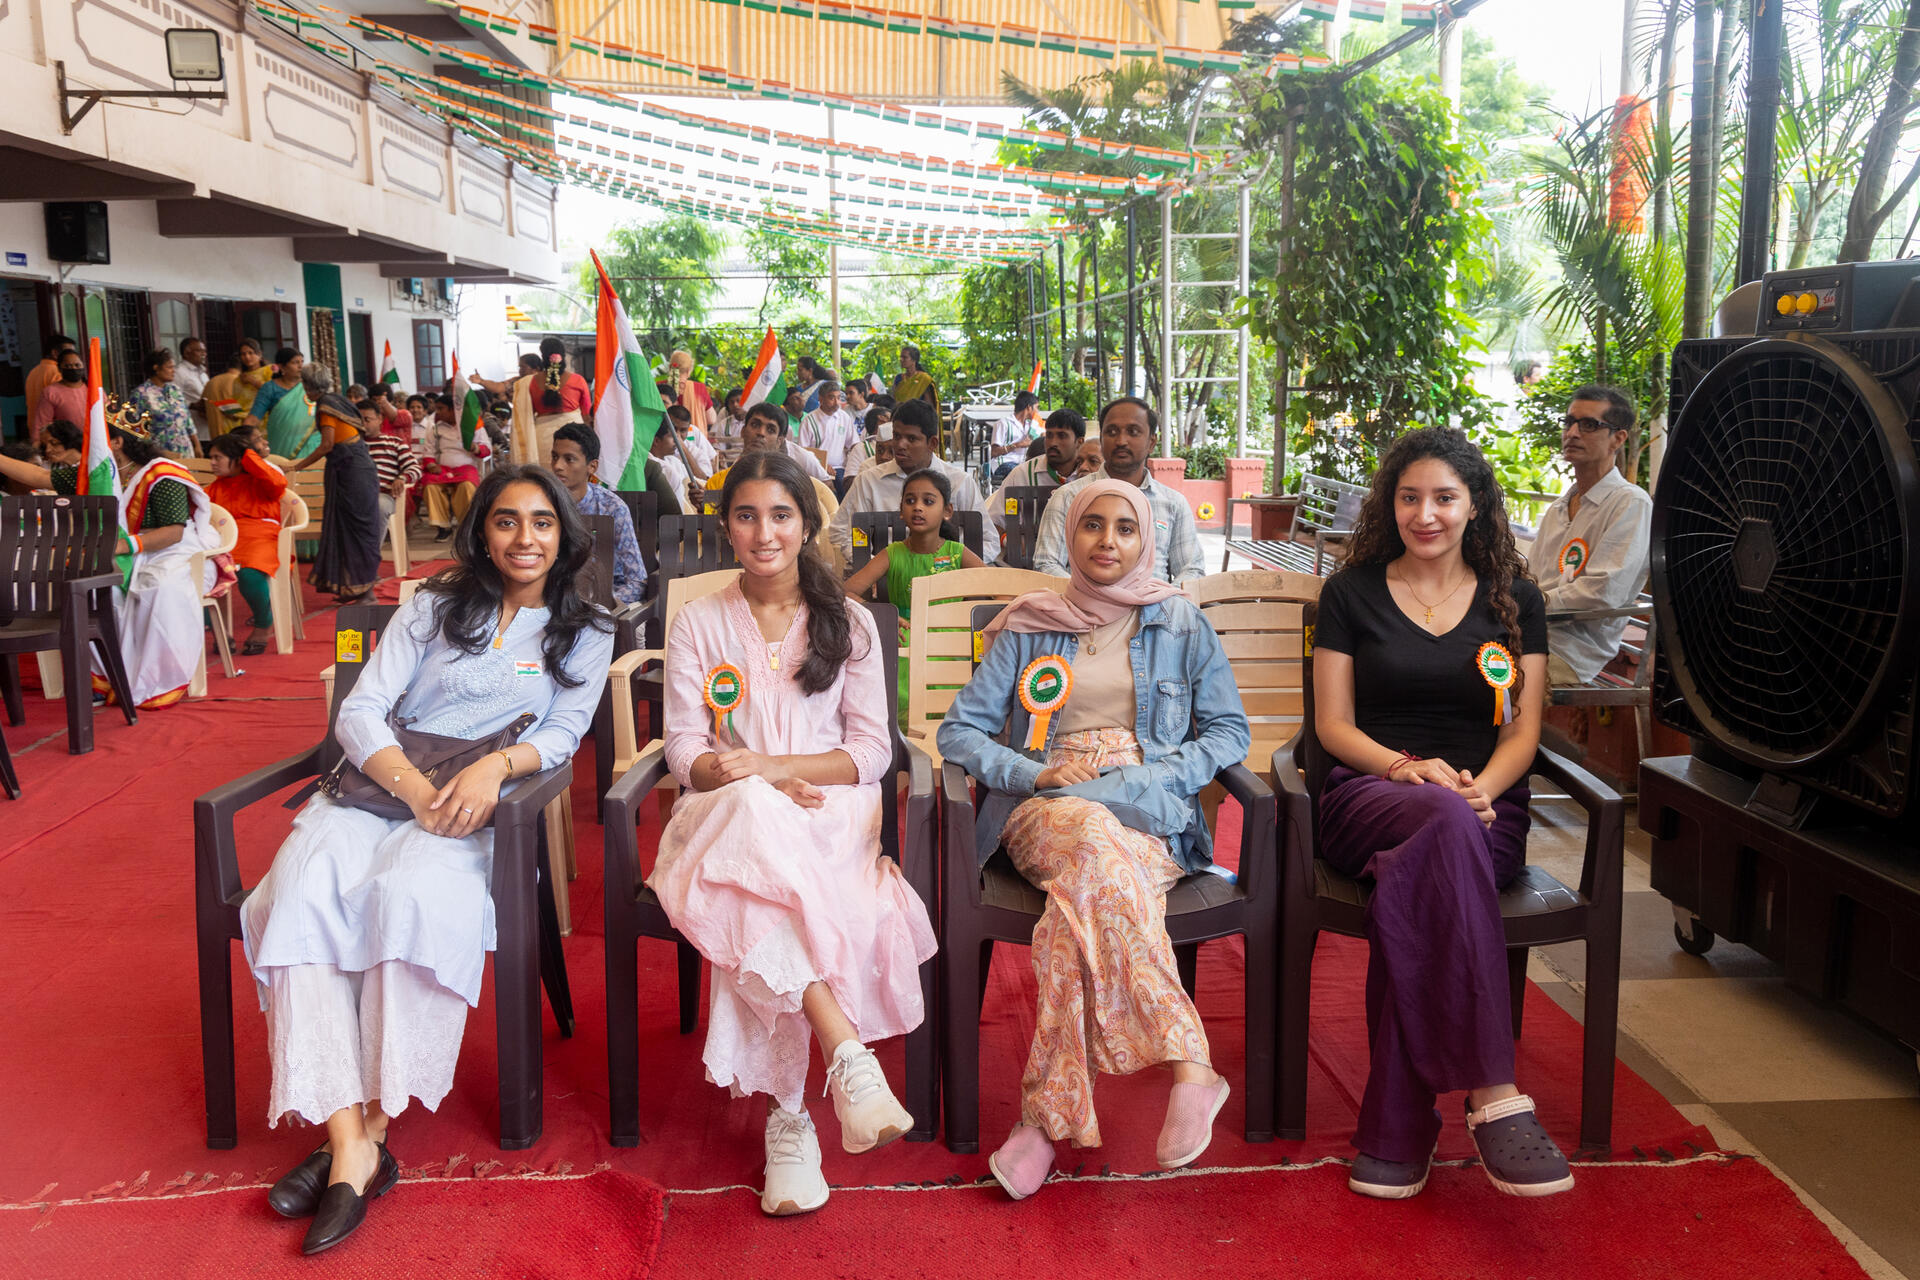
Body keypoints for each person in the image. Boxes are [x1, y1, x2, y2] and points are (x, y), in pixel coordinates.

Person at [240, 466, 614, 1256]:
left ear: (563, 535)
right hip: (383, 789)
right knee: (294, 894)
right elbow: (362, 711)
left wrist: (495, 768)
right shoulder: (437, 605)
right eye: (506, 521)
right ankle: (352, 1140)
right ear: (483, 531)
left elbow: (564, 731)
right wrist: (413, 790)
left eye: (542, 522)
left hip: (476, 810)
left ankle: (366, 1133)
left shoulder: (584, 627)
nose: (524, 538)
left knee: (408, 898)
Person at [936, 479, 1250, 1199]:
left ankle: (1044, 1124)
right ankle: (1190, 1063)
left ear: (1147, 541)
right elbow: (959, 731)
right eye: (1093, 525)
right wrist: (1035, 772)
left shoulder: (1180, 622)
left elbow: (1228, 731)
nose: (1108, 540)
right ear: (1069, 535)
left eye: (1125, 529)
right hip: (1049, 801)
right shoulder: (1031, 623)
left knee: (1072, 913)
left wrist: (1159, 774)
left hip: (1149, 802)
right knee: (1090, 839)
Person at [646, 450, 937, 1218]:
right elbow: (683, 745)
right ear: (726, 527)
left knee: (757, 875)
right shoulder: (699, 621)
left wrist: (775, 768)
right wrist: (737, 775)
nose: (764, 532)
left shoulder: (850, 622)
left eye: (780, 515)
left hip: (828, 811)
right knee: (750, 819)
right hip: (722, 811)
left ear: (806, 524)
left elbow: (871, 753)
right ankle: (841, 1058)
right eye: (746, 516)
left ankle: (792, 1119)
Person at [1309, 425, 1572, 1201]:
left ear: (1475, 505)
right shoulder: (1350, 593)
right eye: (1409, 498)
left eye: (1445, 498)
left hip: (1485, 808)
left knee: (1426, 864)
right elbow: (1332, 726)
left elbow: (1523, 730)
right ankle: (1494, 1090)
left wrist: (1479, 788)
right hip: (1369, 793)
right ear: (1389, 505)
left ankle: (1397, 1130)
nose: (1425, 515)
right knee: (1438, 824)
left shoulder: (1516, 600)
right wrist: (1404, 768)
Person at [0, 412, 218, 709]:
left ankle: (157, 679)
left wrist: (123, 546)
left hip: (167, 550)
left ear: (116, 442)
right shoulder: (100, 471)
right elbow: (39, 477)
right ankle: (105, 678)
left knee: (158, 588)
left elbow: (174, 532)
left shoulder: (162, 474)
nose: (86, 447)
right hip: (120, 550)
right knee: (88, 590)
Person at [1524, 385, 1652, 686]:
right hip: (1526, 633)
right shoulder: (1560, 506)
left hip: (1568, 651)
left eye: (1589, 425)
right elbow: (1530, 577)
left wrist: (1529, 603)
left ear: (1618, 438)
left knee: (1470, 677)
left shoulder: (1630, 503)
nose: (1572, 433)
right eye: (1569, 422)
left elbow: (1603, 593)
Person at [841, 467, 985, 714]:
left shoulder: (957, 553)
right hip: (905, 637)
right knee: (900, 692)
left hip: (952, 641)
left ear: (947, 511)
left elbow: (997, 587)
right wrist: (881, 616)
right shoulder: (892, 553)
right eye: (910, 501)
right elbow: (846, 592)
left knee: (959, 693)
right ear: (901, 511)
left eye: (928, 502)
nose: (917, 507)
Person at [1032, 398, 1202, 585]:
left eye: (1133, 432)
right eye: (1111, 432)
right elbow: (1047, 564)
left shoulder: (1173, 503)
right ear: (1101, 438)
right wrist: (1091, 596)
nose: (1121, 441)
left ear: (1152, 442)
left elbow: (1191, 570)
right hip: (1084, 601)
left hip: (1155, 601)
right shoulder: (1068, 497)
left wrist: (1162, 599)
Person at [829, 399, 998, 564]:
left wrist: (951, 567)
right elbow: (840, 531)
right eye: (896, 436)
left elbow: (989, 541)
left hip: (947, 577)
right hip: (885, 578)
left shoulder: (960, 483)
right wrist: (876, 566)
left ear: (932, 443)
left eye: (911, 439)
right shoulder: (868, 482)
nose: (900, 445)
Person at [293, 369, 383, 605]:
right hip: (357, 468)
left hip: (351, 473)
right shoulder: (338, 400)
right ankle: (351, 587)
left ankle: (366, 592)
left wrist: (297, 466)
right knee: (346, 529)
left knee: (356, 530)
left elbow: (327, 445)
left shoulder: (326, 405)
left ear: (308, 386)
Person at [206, 431, 290, 654]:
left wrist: (247, 455)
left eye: (218, 457)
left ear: (238, 459)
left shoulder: (262, 481)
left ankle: (263, 624)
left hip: (261, 536)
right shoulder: (216, 487)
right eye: (211, 458)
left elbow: (279, 483)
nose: (212, 463)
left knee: (249, 573)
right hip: (224, 540)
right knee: (200, 575)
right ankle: (220, 631)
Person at [550, 423, 646, 607]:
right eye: (555, 457)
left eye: (569, 459)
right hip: (555, 599)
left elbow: (637, 581)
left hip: (606, 600)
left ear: (592, 467)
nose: (557, 466)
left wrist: (602, 604)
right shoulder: (543, 505)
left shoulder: (612, 508)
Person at [987, 408, 1084, 552]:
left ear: (1079, 442)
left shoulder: (1090, 476)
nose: (1053, 442)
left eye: (1062, 436)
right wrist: (1010, 542)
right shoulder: (1022, 475)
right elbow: (994, 523)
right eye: (1049, 435)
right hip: (1026, 560)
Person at [512, 337, 591, 466]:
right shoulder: (578, 380)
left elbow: (525, 415)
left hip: (542, 439)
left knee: (545, 476)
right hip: (574, 437)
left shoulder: (529, 383)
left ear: (543, 357)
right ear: (563, 356)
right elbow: (587, 416)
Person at [420, 394, 487, 542]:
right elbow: (428, 452)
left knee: (466, 486)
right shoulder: (436, 429)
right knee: (430, 486)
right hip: (442, 469)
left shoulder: (472, 425)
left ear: (452, 410)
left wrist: (475, 448)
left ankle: (467, 527)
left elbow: (486, 449)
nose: (437, 412)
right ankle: (443, 527)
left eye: (441, 409)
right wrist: (431, 465)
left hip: (466, 468)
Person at [360, 400, 422, 529]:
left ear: (380, 419)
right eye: (359, 420)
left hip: (383, 495)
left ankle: (371, 543)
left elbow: (415, 468)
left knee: (380, 506)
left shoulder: (395, 443)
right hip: (356, 495)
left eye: (367, 420)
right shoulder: (352, 445)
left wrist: (402, 478)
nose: (362, 424)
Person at [246, 348, 316, 460]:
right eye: (295, 362)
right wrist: (243, 439)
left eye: (302, 362)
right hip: (281, 447)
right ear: (282, 367)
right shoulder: (270, 389)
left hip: (311, 445)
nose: (300, 366)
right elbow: (253, 419)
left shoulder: (311, 386)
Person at [130, 348, 197, 459]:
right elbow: (136, 428)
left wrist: (197, 445)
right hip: (161, 454)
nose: (173, 371)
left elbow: (188, 421)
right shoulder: (141, 394)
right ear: (156, 368)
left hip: (185, 452)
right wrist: (155, 451)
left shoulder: (175, 390)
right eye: (169, 367)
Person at [798, 382, 860, 489]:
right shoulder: (809, 420)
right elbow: (803, 452)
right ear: (821, 399)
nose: (837, 402)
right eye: (831, 398)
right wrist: (822, 465)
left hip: (840, 468)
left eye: (838, 398)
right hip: (816, 469)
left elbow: (854, 444)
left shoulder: (844, 417)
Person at [30, 346, 88, 447]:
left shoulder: (94, 389)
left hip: (96, 444)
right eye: (68, 366)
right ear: (59, 368)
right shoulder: (50, 392)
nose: (73, 368)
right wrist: (37, 447)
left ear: (83, 366)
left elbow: (109, 415)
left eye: (77, 365)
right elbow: (41, 425)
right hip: (67, 447)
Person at [988, 391, 1042, 483]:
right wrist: (1018, 444)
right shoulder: (1003, 423)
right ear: (1029, 407)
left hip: (1024, 463)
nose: (1037, 411)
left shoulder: (1033, 426)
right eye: (1037, 407)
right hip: (1004, 463)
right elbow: (994, 452)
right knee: (1023, 473)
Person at [24, 333, 73, 427]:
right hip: (55, 430)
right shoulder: (58, 373)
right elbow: (66, 407)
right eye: (68, 353)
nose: (73, 357)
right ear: (55, 353)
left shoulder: (33, 372)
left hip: (35, 427)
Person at [667, 349, 717, 429]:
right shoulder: (699, 388)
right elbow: (711, 419)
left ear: (670, 367)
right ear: (688, 370)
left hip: (665, 435)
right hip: (692, 435)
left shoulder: (659, 386)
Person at [202, 349, 248, 435]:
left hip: (215, 436)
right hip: (234, 436)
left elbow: (201, 408)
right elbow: (234, 414)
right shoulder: (237, 381)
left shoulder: (211, 382)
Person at [177, 338, 212, 444]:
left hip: (208, 429)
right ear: (187, 353)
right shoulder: (179, 372)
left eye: (204, 351)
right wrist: (192, 405)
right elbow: (172, 399)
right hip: (193, 432)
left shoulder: (203, 373)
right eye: (199, 351)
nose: (204, 354)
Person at [233, 340, 275, 424]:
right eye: (243, 354)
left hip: (265, 418)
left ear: (259, 354)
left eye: (250, 353)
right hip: (245, 421)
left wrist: (253, 381)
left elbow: (274, 392)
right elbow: (237, 401)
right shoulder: (239, 379)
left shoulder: (269, 370)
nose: (247, 357)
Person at [468, 354, 542, 397]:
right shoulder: (517, 381)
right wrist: (481, 381)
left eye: (523, 367)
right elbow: (498, 387)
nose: (520, 370)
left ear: (536, 369)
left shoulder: (544, 381)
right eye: (519, 367)